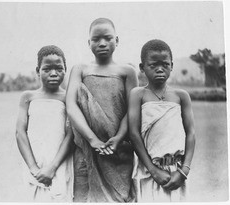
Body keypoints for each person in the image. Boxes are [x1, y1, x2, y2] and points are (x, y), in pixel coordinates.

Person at [66, 18, 138, 202]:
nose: (102, 43)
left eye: (107, 38)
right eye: (96, 39)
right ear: (88, 42)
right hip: (86, 150)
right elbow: (71, 105)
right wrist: (92, 140)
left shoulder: (127, 71)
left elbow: (132, 110)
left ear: (117, 40)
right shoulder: (80, 70)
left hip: (118, 151)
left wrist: (118, 138)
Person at [128, 39, 196, 202]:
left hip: (177, 170)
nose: (160, 69)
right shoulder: (138, 94)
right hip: (151, 170)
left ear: (171, 65)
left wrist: (184, 171)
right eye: (153, 65)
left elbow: (191, 133)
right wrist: (153, 170)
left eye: (165, 64)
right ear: (142, 67)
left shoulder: (181, 96)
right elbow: (133, 133)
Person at [15, 45, 74, 202]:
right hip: (33, 165)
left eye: (59, 68)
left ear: (65, 69)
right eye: (47, 69)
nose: (53, 73)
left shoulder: (69, 98)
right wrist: (34, 168)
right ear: (37, 70)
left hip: (59, 164)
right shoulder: (28, 97)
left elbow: (70, 135)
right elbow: (20, 132)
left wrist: (52, 168)